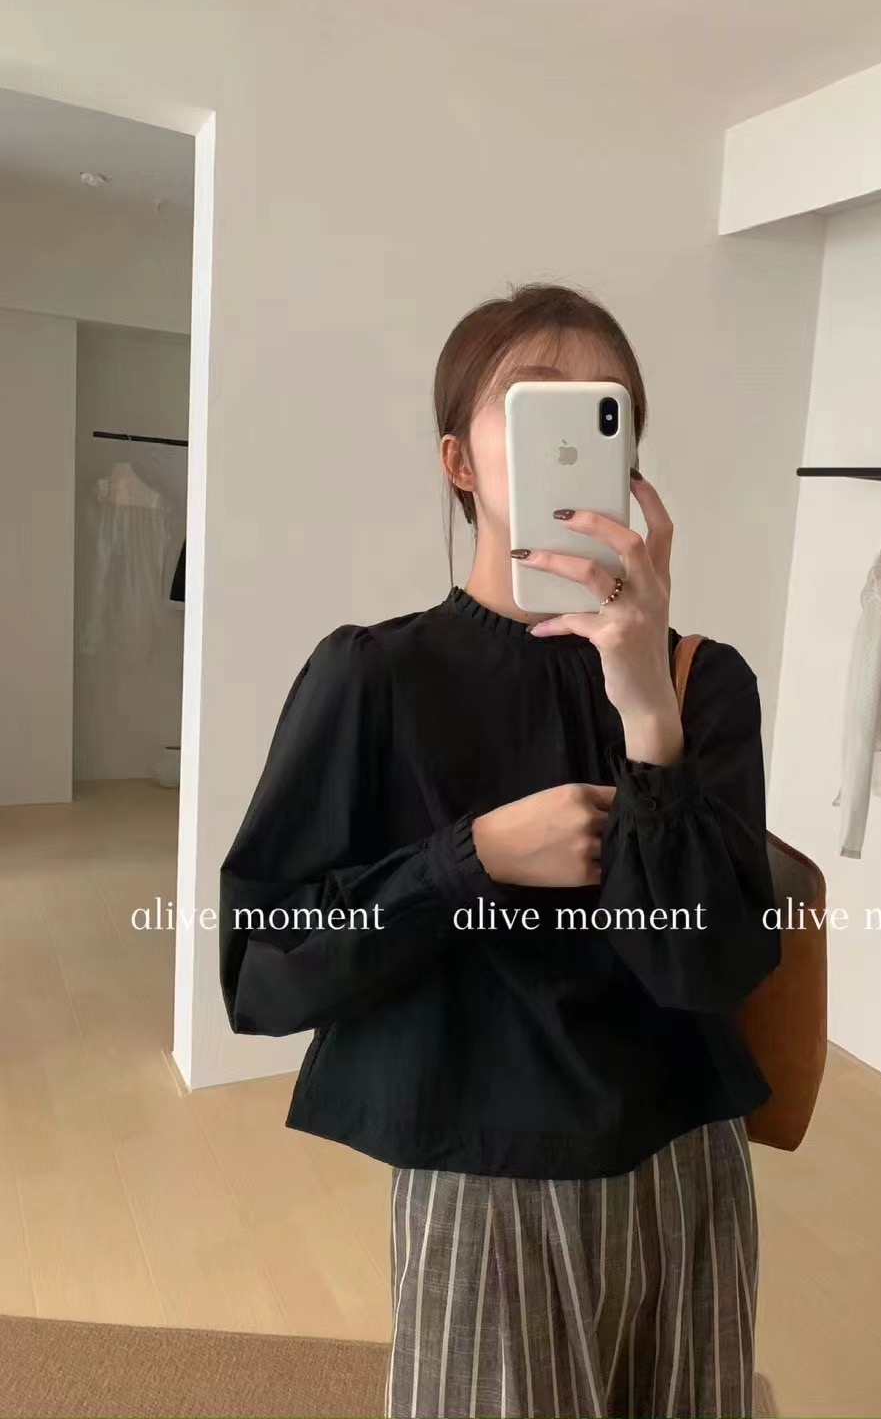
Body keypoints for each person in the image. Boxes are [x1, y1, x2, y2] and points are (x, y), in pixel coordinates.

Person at [218, 281, 780, 1418]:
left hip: (683, 1161)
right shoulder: (374, 678)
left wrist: (647, 717)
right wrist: (467, 858)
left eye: (601, 410)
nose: (569, 435)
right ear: (460, 463)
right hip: (482, 1181)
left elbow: (708, 966)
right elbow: (263, 965)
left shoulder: (700, 683)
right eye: (532, 405)